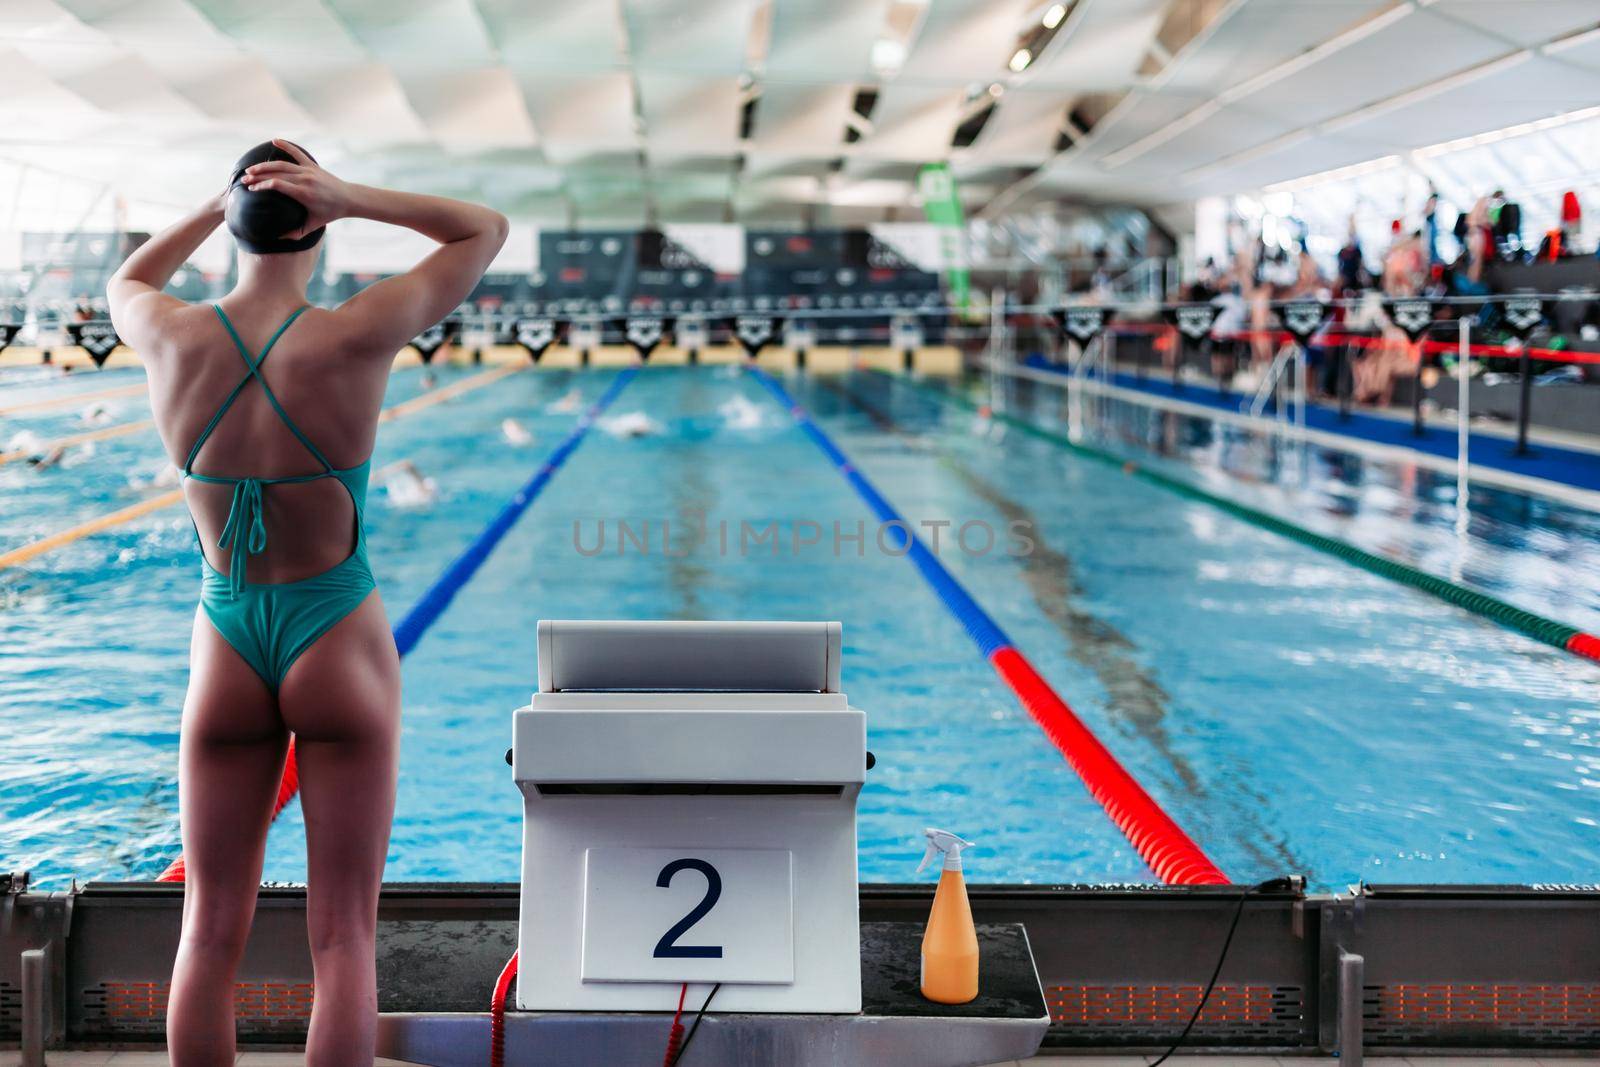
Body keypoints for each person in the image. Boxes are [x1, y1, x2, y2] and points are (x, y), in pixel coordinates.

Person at [106, 139, 507, 1066]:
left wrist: (218, 204)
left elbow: (130, 273)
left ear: (234, 225)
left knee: (207, 930)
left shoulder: (168, 331)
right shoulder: (354, 332)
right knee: (342, 937)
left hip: (227, 640)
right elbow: (484, 229)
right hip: (337, 633)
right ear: (316, 222)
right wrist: (350, 197)